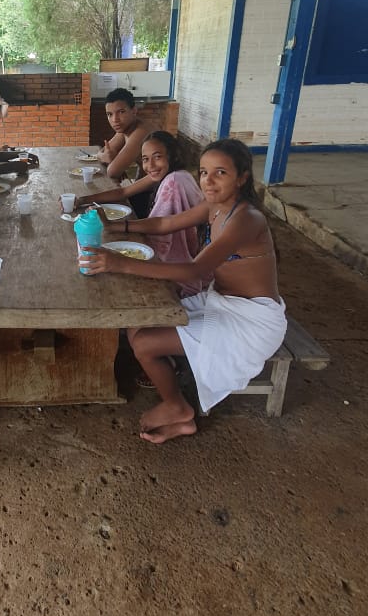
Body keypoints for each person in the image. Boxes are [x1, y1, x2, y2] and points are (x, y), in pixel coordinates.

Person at [84, 138, 286, 444]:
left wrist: (120, 264)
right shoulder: (215, 206)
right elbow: (166, 223)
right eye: (204, 172)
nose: (209, 181)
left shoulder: (246, 219)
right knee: (138, 323)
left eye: (220, 173)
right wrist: (118, 228)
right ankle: (175, 392)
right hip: (221, 301)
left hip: (252, 320)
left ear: (242, 177)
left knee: (145, 344)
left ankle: (177, 407)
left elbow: (194, 270)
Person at [76, 130, 206, 295]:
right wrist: (83, 200)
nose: (150, 165)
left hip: (185, 263)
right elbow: (123, 192)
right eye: (145, 159)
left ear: (172, 156)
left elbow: (160, 226)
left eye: (157, 157)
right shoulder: (169, 173)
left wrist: (116, 234)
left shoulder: (174, 181)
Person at [96, 87, 155, 184]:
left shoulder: (141, 132)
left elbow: (113, 172)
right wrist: (104, 157)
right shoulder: (125, 128)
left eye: (121, 112)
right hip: (145, 182)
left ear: (134, 111)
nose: (115, 120)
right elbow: (103, 151)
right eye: (110, 114)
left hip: (162, 187)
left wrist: (110, 160)